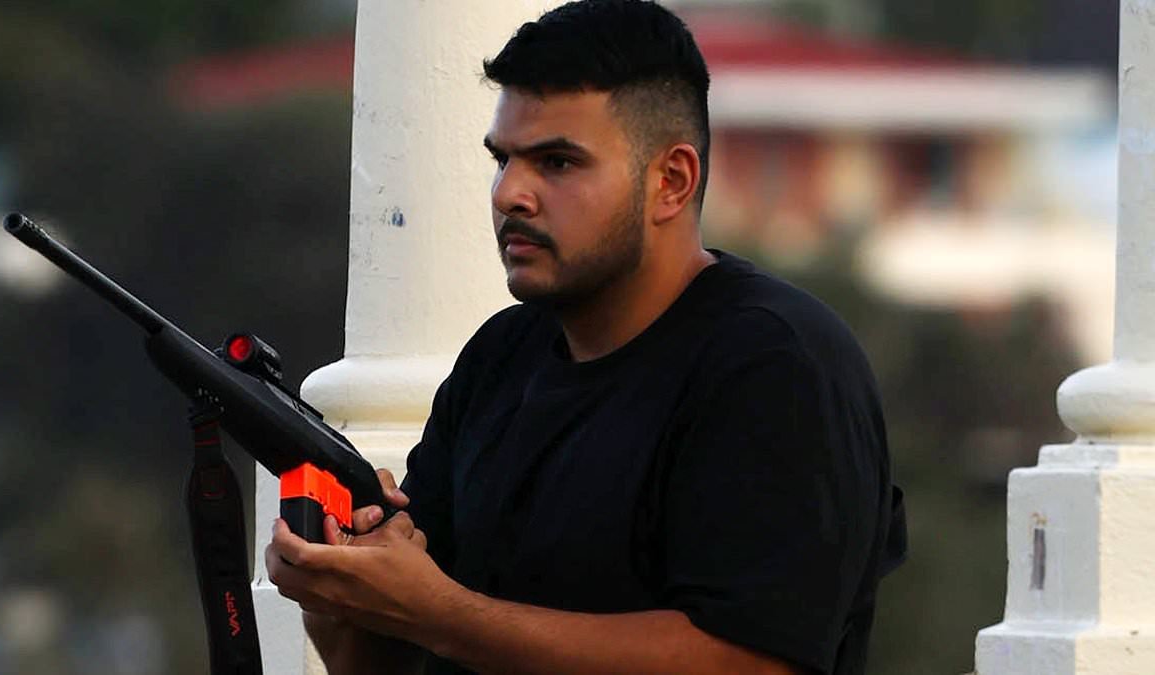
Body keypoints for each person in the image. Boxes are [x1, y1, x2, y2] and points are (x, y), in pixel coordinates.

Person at [266, 1, 907, 673]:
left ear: (671, 181)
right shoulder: (498, 359)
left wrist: (440, 613)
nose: (511, 192)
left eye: (558, 163)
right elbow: (384, 659)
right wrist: (337, 585)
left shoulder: (776, 367)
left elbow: (750, 661)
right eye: (503, 159)